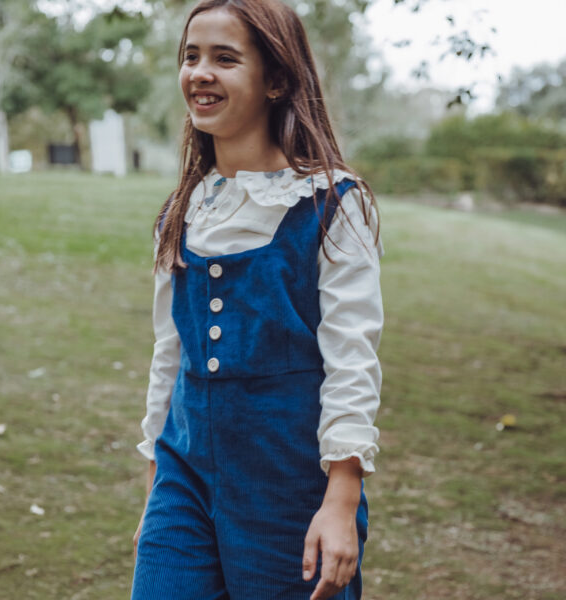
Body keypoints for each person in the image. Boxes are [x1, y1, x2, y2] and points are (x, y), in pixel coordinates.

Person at [130, 1, 384, 599]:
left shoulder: (331, 205)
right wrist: (155, 487)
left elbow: (353, 359)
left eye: (224, 58)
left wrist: (341, 501)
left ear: (275, 80)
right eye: (191, 57)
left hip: (288, 483)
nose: (200, 73)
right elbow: (170, 353)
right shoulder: (181, 211)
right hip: (183, 479)